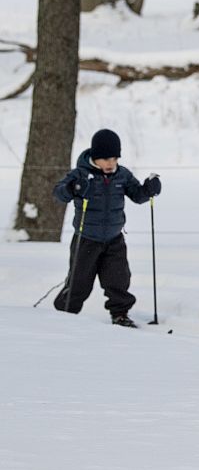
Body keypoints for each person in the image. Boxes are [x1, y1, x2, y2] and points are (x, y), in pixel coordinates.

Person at [53, 128, 162, 327]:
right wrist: (73, 188)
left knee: (118, 279)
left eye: (114, 158)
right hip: (86, 238)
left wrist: (148, 190)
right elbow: (59, 192)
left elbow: (137, 195)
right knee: (79, 282)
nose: (111, 163)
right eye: (106, 159)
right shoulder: (81, 174)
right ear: (95, 157)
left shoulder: (122, 175)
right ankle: (64, 314)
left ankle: (120, 314)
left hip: (114, 239)